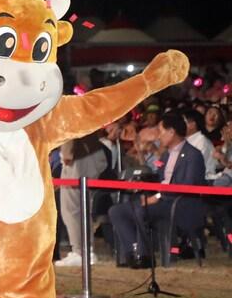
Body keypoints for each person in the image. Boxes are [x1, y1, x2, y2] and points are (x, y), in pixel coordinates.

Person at [107, 112, 207, 268]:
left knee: (142, 209)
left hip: (181, 205)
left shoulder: (193, 155)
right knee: (117, 211)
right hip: (162, 201)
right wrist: (142, 181)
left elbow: (187, 185)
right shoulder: (166, 155)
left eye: (161, 131)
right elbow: (159, 178)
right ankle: (134, 252)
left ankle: (144, 255)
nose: (158, 136)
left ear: (172, 132)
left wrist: (158, 196)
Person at [52, 132, 109, 267]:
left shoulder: (67, 109)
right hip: (88, 153)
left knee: (71, 208)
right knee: (81, 207)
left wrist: (66, 153)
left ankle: (80, 252)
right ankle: (85, 250)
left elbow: (70, 128)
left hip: (79, 156)